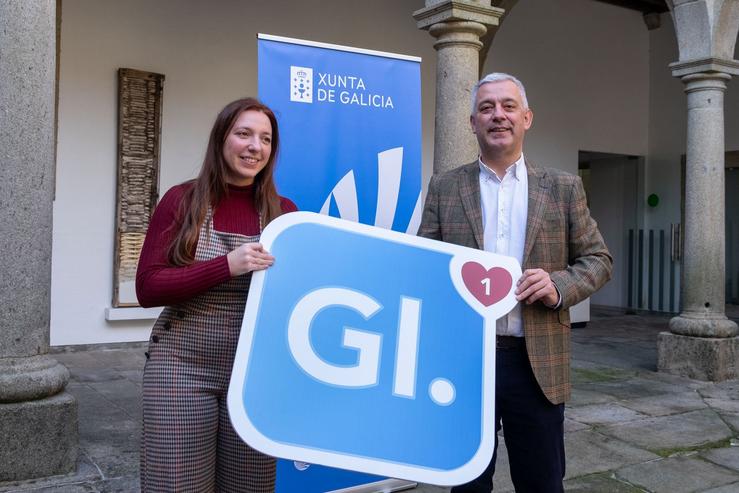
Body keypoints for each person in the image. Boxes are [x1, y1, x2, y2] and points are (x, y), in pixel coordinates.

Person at [418, 73, 612, 492]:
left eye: (508, 106)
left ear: (527, 118)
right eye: (486, 108)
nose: (497, 115)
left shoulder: (562, 187)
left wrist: (559, 284)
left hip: (536, 361)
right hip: (466, 361)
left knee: (541, 482)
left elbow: (598, 260)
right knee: (467, 482)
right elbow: (425, 265)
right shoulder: (445, 187)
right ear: (472, 122)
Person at [136, 97, 297, 492]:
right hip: (181, 367)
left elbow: (293, 298)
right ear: (221, 139)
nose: (254, 147)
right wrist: (226, 265)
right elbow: (148, 286)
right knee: (177, 483)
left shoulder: (286, 214)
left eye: (265, 138)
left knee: (250, 484)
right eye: (243, 134)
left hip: (253, 374)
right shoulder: (182, 200)